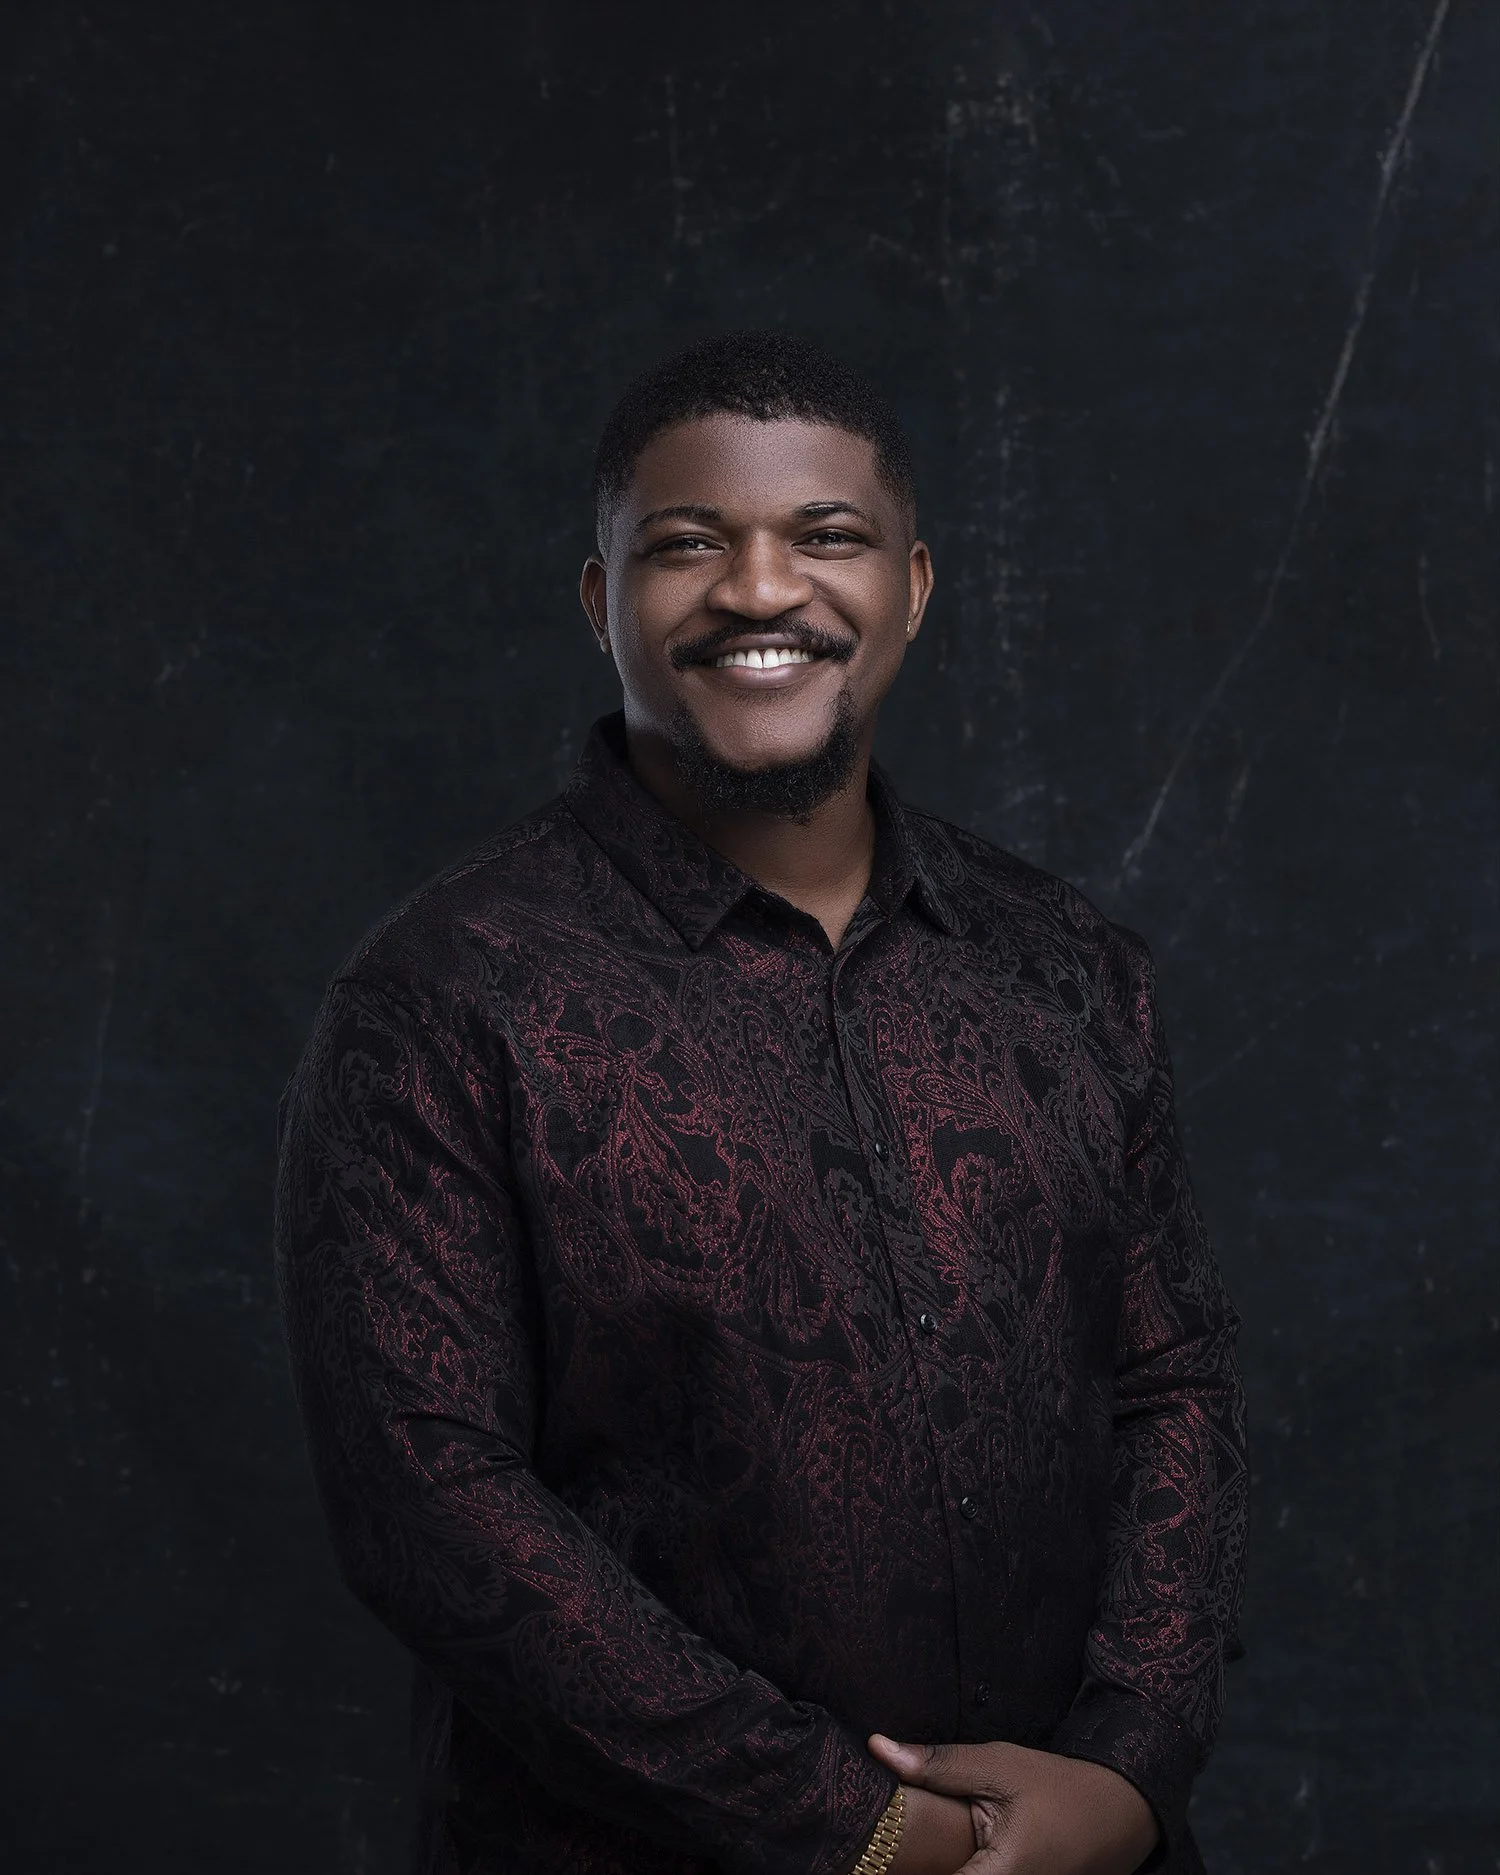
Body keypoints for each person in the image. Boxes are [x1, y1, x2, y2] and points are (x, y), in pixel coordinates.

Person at [274, 331, 1247, 1875]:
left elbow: (1172, 1385)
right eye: (685, 545)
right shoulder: (448, 997)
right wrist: (870, 1833)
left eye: (826, 536)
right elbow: (431, 1500)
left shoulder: (1072, 970)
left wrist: (1125, 1778)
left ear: (914, 589)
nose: (757, 587)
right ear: (603, 604)